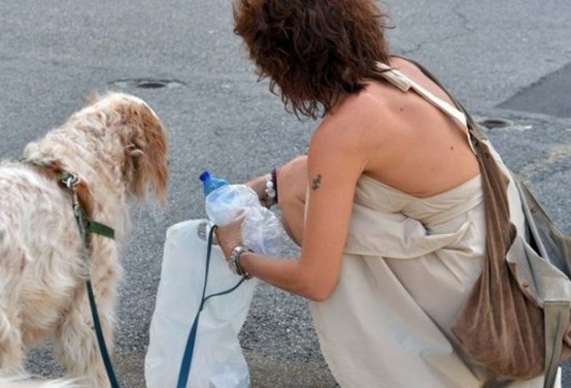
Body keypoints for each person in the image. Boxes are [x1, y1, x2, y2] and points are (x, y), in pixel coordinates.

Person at [214, 0, 560, 386]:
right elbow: (315, 172)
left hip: (472, 293)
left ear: (284, 60)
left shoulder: (343, 130)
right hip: (496, 241)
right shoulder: (400, 71)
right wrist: (269, 186)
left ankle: (417, 363)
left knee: (316, 224)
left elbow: (314, 280)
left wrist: (238, 254)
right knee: (298, 181)